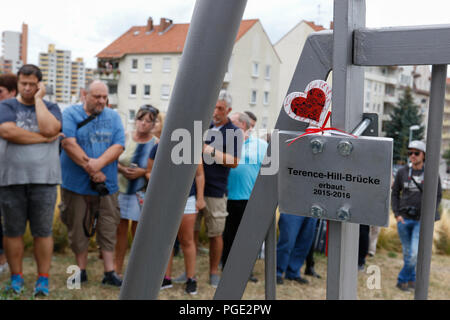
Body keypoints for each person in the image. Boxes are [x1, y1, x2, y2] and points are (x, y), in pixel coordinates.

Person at [0, 65, 62, 296]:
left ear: (39, 85)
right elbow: (7, 131)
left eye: (31, 84)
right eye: (23, 83)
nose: (26, 88)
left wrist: (38, 100)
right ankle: (17, 278)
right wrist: (42, 140)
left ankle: (42, 279)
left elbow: (50, 127)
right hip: (11, 180)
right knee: (12, 231)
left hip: (44, 180)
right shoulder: (6, 106)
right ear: (17, 83)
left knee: (43, 232)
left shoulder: (52, 107)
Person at [60, 80, 125, 287]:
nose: (102, 101)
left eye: (105, 97)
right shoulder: (70, 114)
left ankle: (110, 272)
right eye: (97, 96)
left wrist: (98, 164)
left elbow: (118, 145)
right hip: (76, 185)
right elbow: (68, 143)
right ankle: (80, 271)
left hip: (107, 185)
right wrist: (91, 168)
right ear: (84, 95)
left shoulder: (114, 117)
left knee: (108, 226)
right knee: (77, 227)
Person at [194, 90, 242, 288]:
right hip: (194, 189)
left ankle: (214, 272)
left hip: (216, 190)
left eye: (220, 108)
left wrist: (209, 150)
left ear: (228, 110)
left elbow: (234, 162)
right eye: (214, 106)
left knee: (215, 234)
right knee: (192, 233)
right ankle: (191, 273)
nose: (215, 111)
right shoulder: (203, 126)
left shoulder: (234, 132)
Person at [146, 143, 206, 295]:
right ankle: (165, 277)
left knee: (187, 240)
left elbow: (199, 174)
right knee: (166, 240)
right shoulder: (159, 146)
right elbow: (149, 172)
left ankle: (191, 279)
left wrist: (200, 198)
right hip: (164, 200)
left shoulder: (191, 147)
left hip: (188, 200)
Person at [221, 112, 267, 283]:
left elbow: (269, 173)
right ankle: (227, 269)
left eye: (231, 123)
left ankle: (245, 271)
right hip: (227, 197)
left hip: (250, 199)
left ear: (243, 125)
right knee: (228, 236)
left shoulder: (261, 146)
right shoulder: (224, 144)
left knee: (247, 238)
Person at [114, 105, 159, 277]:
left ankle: (138, 270)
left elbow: (159, 170)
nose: (143, 124)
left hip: (142, 192)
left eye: (148, 121)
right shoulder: (125, 137)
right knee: (120, 230)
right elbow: (113, 158)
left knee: (139, 232)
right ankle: (117, 268)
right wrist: (122, 169)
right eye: (141, 119)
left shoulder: (156, 143)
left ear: (154, 124)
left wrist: (142, 172)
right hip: (122, 189)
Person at [391, 140, 442, 292]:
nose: (412, 156)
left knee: (414, 254)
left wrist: (429, 215)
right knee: (409, 254)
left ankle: (402, 280)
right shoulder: (402, 172)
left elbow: (438, 195)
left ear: (424, 155)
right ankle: (413, 281)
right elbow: (395, 194)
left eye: (416, 153)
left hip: (421, 221)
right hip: (404, 219)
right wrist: (397, 214)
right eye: (410, 153)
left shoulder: (431, 173)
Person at [0, 73, 18, 276]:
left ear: (12, 92)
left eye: (1, 92)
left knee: (10, 221)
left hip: (12, 176)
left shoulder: (18, 115)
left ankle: (4, 261)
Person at [276, 213, 317, 285]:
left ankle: (293, 272)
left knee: (304, 242)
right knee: (287, 240)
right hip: (291, 207)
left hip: (312, 207)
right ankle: (277, 272)